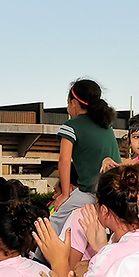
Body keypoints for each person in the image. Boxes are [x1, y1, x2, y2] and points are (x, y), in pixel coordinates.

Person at [51, 78, 120, 234]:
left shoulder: (71, 126)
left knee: (56, 220)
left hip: (91, 191)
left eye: (68, 104)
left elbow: (64, 161)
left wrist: (65, 194)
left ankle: (40, 258)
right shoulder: (105, 125)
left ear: (74, 103)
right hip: (114, 189)